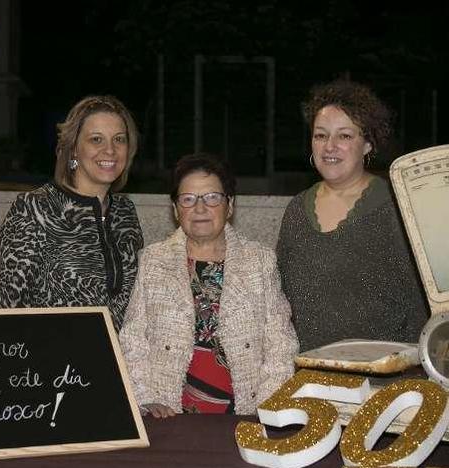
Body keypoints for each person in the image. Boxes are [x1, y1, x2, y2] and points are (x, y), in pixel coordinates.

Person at [120, 153, 298, 418]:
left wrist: (264, 408)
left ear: (230, 205)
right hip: (168, 413)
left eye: (212, 198)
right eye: (188, 199)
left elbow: (281, 345)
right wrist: (146, 398)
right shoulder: (153, 260)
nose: (200, 208)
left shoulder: (260, 261)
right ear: (175, 209)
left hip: (244, 413)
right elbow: (133, 340)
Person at [276, 79, 428, 353]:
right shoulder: (296, 211)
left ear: (368, 144)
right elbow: (278, 301)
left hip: (382, 379)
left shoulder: (396, 209)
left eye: (344, 136)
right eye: (320, 135)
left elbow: (420, 305)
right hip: (305, 375)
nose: (329, 146)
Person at [0, 95, 144, 331]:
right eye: (96, 139)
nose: (110, 150)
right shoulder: (33, 208)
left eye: (119, 139)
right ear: (74, 148)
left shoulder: (125, 213)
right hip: (52, 360)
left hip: (119, 362)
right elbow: (9, 306)